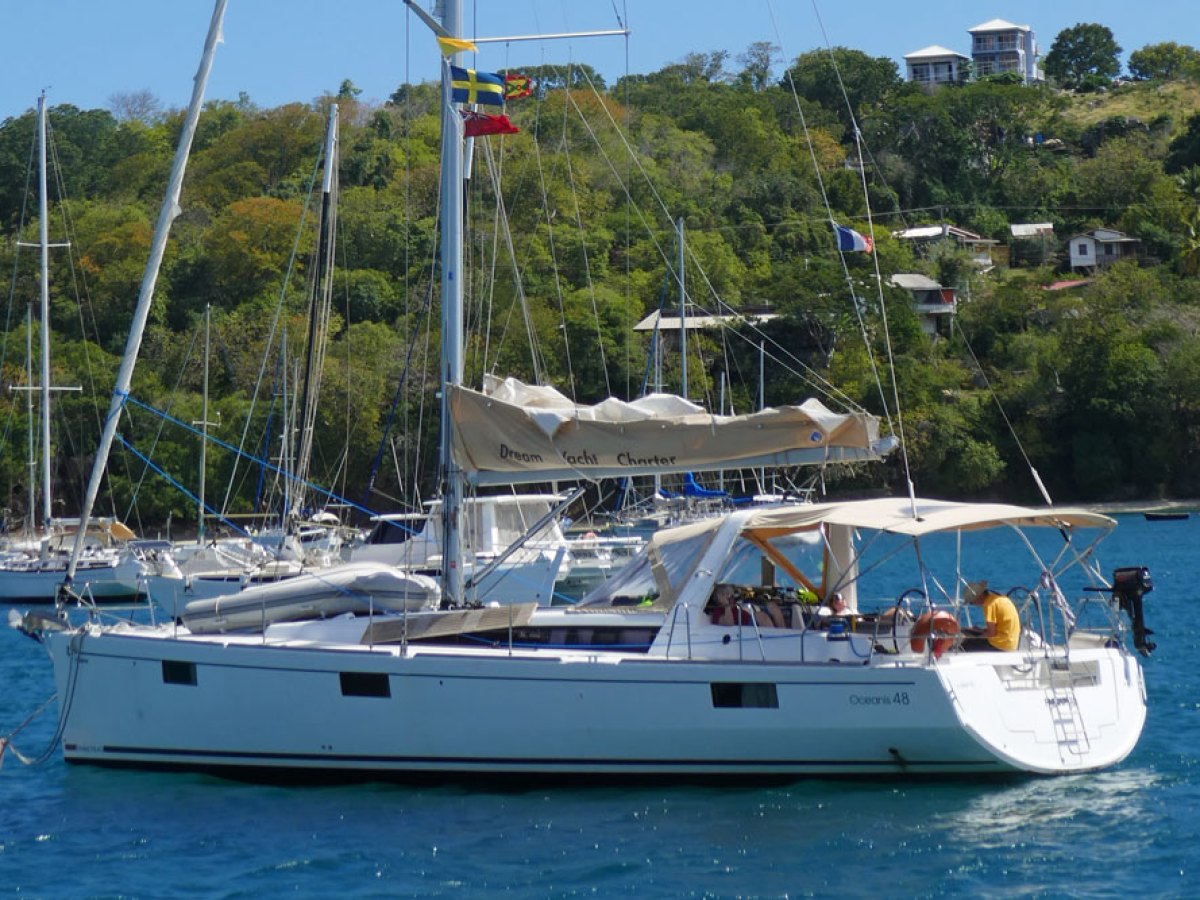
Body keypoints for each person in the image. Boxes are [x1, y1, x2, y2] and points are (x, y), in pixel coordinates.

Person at [961, 580, 1020, 651]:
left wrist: (977, 637)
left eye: (971, 602)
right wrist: (981, 630)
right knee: (971, 633)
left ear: (979, 596)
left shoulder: (989, 605)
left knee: (964, 644)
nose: (973, 604)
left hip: (1001, 645)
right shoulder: (999, 598)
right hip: (1011, 643)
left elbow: (991, 633)